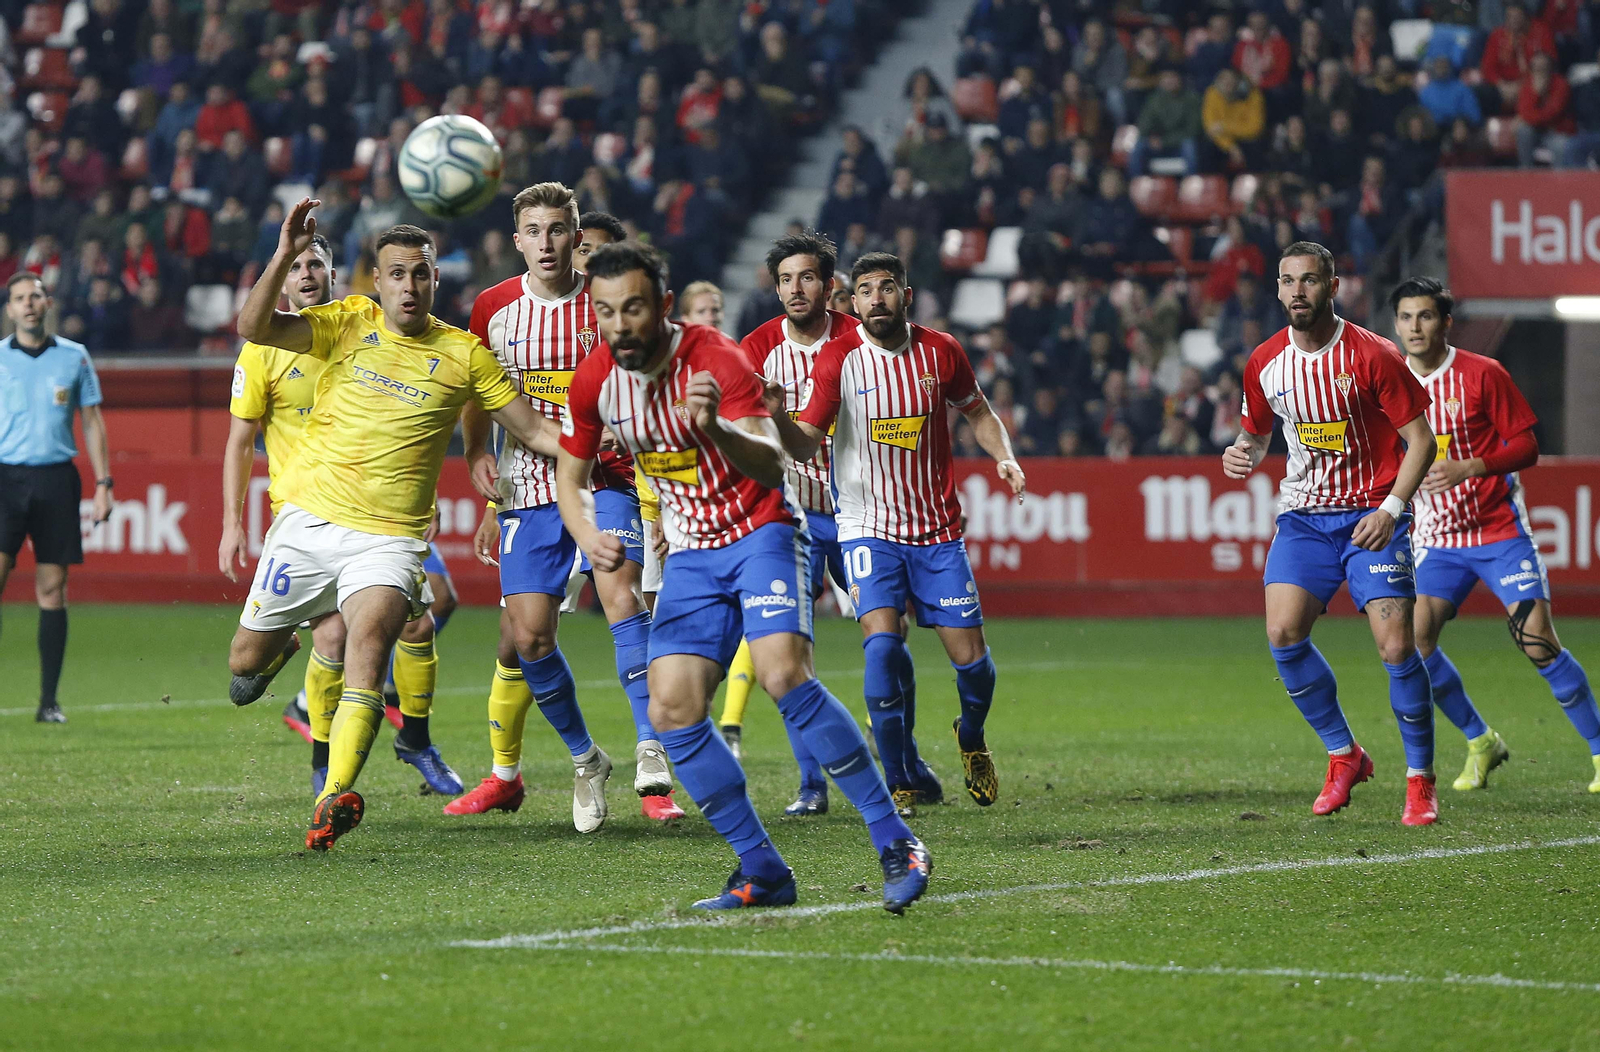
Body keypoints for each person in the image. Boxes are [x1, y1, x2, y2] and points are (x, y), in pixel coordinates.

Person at [557, 241, 930, 914]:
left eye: (633, 308)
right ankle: (762, 869)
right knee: (672, 710)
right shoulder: (595, 380)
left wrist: (713, 431)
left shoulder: (717, 361)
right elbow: (569, 475)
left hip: (762, 530)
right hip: (695, 555)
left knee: (783, 673)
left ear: (664, 308)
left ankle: (896, 839)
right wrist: (587, 532)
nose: (619, 325)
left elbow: (769, 465)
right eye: (606, 311)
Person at [227, 199, 562, 850]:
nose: (409, 285)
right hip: (310, 521)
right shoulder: (347, 322)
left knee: (370, 649)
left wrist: (620, 444)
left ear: (437, 279)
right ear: (374, 283)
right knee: (243, 672)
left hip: (391, 537)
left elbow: (535, 429)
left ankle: (333, 798)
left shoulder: (465, 355)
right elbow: (254, 324)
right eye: (397, 274)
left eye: (421, 273)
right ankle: (277, 659)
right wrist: (280, 251)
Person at [448, 184, 684, 828]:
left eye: (559, 231)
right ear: (517, 238)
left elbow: (647, 375)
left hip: (601, 479)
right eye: (534, 231)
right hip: (526, 490)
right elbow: (477, 393)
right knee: (528, 637)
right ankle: (586, 759)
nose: (547, 243)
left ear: (576, 238)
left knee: (620, 594)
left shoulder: (603, 305)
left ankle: (650, 746)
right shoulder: (493, 309)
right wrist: (474, 455)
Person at [219, 233, 463, 796]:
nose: (306, 274)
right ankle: (326, 762)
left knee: (427, 616)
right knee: (333, 636)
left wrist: (420, 502)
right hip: (310, 514)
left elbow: (415, 413)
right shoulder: (267, 349)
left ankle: (410, 742)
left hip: (381, 511)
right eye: (295, 266)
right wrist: (233, 521)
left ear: (335, 274)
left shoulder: (369, 327)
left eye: (316, 264)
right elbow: (239, 441)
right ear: (280, 279)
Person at [780, 252, 1025, 811]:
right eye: (864, 291)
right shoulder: (839, 357)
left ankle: (971, 735)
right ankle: (899, 780)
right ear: (853, 300)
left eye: (886, 288)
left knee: (974, 666)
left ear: (905, 296)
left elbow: (978, 412)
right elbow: (803, 440)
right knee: (882, 648)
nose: (876, 300)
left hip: (937, 531)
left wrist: (1004, 457)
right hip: (867, 529)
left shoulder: (941, 351)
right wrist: (776, 416)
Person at [1222, 242, 1440, 826]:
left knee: (1397, 646)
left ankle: (1420, 780)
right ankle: (1345, 755)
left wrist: (1393, 509)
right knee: (1283, 633)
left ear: (1332, 286)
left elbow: (1422, 442)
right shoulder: (1265, 361)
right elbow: (1259, 433)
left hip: (1372, 515)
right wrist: (1241, 454)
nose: (1298, 291)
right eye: (1288, 281)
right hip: (1305, 518)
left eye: (1310, 280)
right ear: (1277, 288)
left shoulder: (1373, 355)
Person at [725, 233, 932, 816]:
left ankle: (903, 763)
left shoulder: (859, 340)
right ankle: (811, 784)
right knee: (790, 651)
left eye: (808, 278)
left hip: (859, 513)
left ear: (831, 285)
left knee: (885, 642)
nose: (796, 289)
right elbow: (737, 430)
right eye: (786, 279)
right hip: (788, 518)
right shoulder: (755, 348)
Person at [1392, 277, 1600, 793]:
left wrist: (1471, 466)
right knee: (1411, 644)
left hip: (1498, 530)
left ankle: (1599, 750)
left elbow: (1528, 445)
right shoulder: (1389, 383)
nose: (1414, 327)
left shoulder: (1483, 374)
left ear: (1446, 323)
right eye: (1405, 318)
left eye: (1424, 316)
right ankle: (1481, 740)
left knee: (1536, 640)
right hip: (1437, 538)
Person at [0, 272, 113, 723]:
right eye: (20, 298)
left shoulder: (74, 357)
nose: (28, 304)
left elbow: (92, 421)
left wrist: (105, 484)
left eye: (35, 296)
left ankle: (48, 702)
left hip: (56, 481)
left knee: (52, 588)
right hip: (5, 479)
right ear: (9, 310)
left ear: (48, 303)